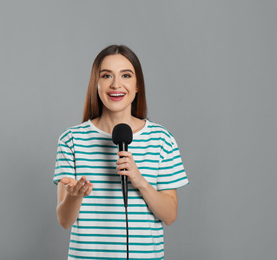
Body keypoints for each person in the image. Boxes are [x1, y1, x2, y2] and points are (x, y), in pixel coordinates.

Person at [53, 45, 189, 259]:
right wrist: (74, 197)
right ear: (95, 85)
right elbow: (64, 220)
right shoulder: (71, 140)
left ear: (137, 86)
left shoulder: (162, 139)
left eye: (126, 75)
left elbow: (170, 215)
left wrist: (140, 181)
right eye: (106, 76)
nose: (116, 84)